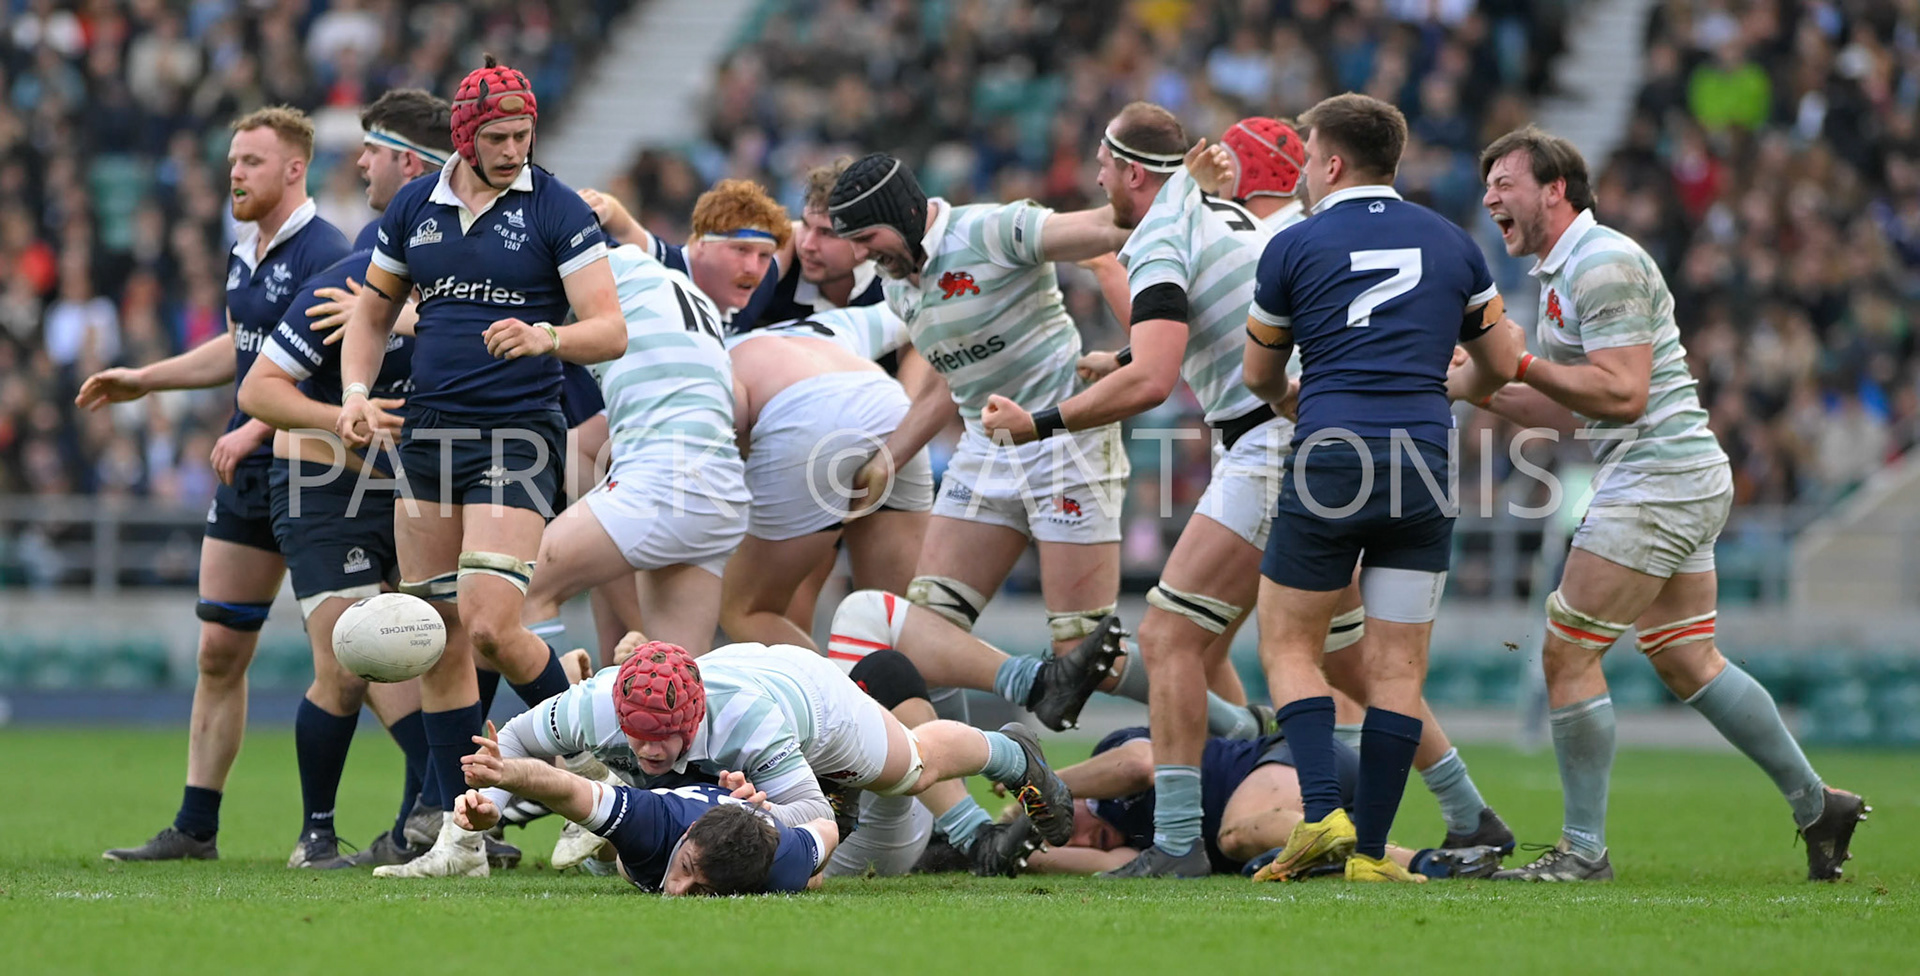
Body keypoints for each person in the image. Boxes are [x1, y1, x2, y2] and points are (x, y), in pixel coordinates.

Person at [1457, 125, 1866, 882]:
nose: (1489, 198)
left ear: (1556, 189)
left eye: (1504, 181)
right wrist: (1482, 387)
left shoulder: (1603, 263)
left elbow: (1623, 391)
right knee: (1684, 656)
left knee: (1566, 650)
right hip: (1677, 470)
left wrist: (1514, 362)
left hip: (1657, 478)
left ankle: (1582, 852)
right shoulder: (1562, 274)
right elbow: (1580, 412)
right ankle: (1818, 804)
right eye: (1486, 185)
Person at [980, 102, 1301, 877]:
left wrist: (1041, 422)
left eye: (1101, 164)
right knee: (1334, 656)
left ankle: (1183, 841)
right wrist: (1122, 355)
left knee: (1166, 637)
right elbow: (1199, 329)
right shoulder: (1223, 215)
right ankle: (1461, 819)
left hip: (1272, 441)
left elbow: (1158, 379)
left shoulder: (1163, 230)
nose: (1094, 178)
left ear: (1130, 171)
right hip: (1306, 435)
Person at [1188, 116, 1517, 858]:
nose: (1304, 172)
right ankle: (1371, 851)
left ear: (1333, 165)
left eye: (1307, 159)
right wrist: (1457, 387)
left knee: (1289, 646)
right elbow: (1501, 358)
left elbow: (1258, 373)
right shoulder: (1452, 241)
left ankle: (1322, 816)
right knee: (1397, 666)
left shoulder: (1294, 243)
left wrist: (1286, 401)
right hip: (1425, 460)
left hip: (1333, 453)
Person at [334, 56, 628, 878]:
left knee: (494, 626)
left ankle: (600, 774)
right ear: (463, 137)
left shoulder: (558, 208)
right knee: (436, 639)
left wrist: (549, 337)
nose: (512, 150)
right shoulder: (411, 210)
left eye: (523, 135)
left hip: (517, 436)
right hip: (427, 437)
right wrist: (357, 392)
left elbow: (610, 329)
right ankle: (457, 837)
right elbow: (372, 314)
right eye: (497, 137)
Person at [829, 152, 1180, 731]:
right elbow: (950, 379)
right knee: (926, 633)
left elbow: (1105, 232)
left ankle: (1232, 721)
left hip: (1068, 445)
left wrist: (1174, 192)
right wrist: (885, 463)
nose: (864, 254)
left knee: (1083, 655)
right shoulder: (898, 287)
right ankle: (947, 799)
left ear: (902, 213)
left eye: (867, 237)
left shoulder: (993, 229)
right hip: (986, 454)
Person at [89, 106, 351, 862]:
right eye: (233, 161)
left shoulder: (325, 254)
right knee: (218, 650)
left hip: (311, 471)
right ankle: (196, 827)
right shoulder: (248, 248)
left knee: (359, 658)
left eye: (251, 162)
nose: (234, 173)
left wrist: (257, 425)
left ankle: (425, 813)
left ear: (293, 169)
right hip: (247, 473)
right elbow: (243, 351)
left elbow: (321, 367)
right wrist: (147, 379)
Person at [483, 638, 1079, 873]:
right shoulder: (593, 706)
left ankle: (1012, 753)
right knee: (621, 846)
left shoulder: (748, 722)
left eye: (664, 736)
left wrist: (759, 815)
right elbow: (510, 742)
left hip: (808, 699)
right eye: (636, 735)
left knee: (910, 769)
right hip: (731, 678)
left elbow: (816, 816)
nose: (648, 748)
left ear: (693, 718)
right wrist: (485, 803)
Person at [516, 182, 789, 660]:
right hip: (719, 497)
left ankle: (555, 724)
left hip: (663, 481)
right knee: (675, 680)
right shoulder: (689, 297)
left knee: (516, 590)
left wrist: (400, 315)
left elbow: (488, 315)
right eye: (743, 250)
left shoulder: (602, 269)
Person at [236, 245, 419, 869]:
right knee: (349, 664)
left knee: (433, 654)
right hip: (321, 489)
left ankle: (424, 821)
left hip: (412, 492)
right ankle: (315, 835)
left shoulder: (473, 289)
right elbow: (258, 388)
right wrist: (339, 414)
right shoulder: (344, 281)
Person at [1015, 727, 1503, 882]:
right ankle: (1362, 856)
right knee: (1263, 862)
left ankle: (1421, 862)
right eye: (1063, 844)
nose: (1073, 838)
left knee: (1235, 833)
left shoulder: (1106, 760)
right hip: (1298, 809)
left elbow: (1143, 762)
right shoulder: (1135, 845)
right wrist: (1021, 849)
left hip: (1298, 761)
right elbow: (1113, 863)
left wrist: (1044, 788)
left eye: (1060, 825)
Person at [720, 305, 935, 647]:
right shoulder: (836, 322)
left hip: (802, 421)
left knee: (744, 610)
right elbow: (928, 310)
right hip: (888, 407)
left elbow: (735, 415)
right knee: (892, 622)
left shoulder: (706, 346)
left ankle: (839, 699)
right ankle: (1019, 678)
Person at [456, 739, 835, 894]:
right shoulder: (654, 824)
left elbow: (827, 828)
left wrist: (808, 870)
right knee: (621, 860)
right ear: (687, 835)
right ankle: (607, 786)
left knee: (812, 880)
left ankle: (602, 822)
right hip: (673, 783)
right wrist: (503, 780)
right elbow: (564, 786)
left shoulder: (781, 864)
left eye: (702, 892)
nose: (677, 889)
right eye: (686, 867)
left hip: (743, 808)